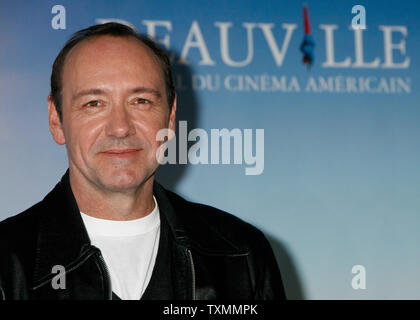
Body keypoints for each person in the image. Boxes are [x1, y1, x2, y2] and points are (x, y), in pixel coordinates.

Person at [0, 23, 286, 300]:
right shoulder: (6, 264)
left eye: (141, 101)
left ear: (171, 117)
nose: (120, 127)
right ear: (56, 119)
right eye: (94, 103)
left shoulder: (241, 255)